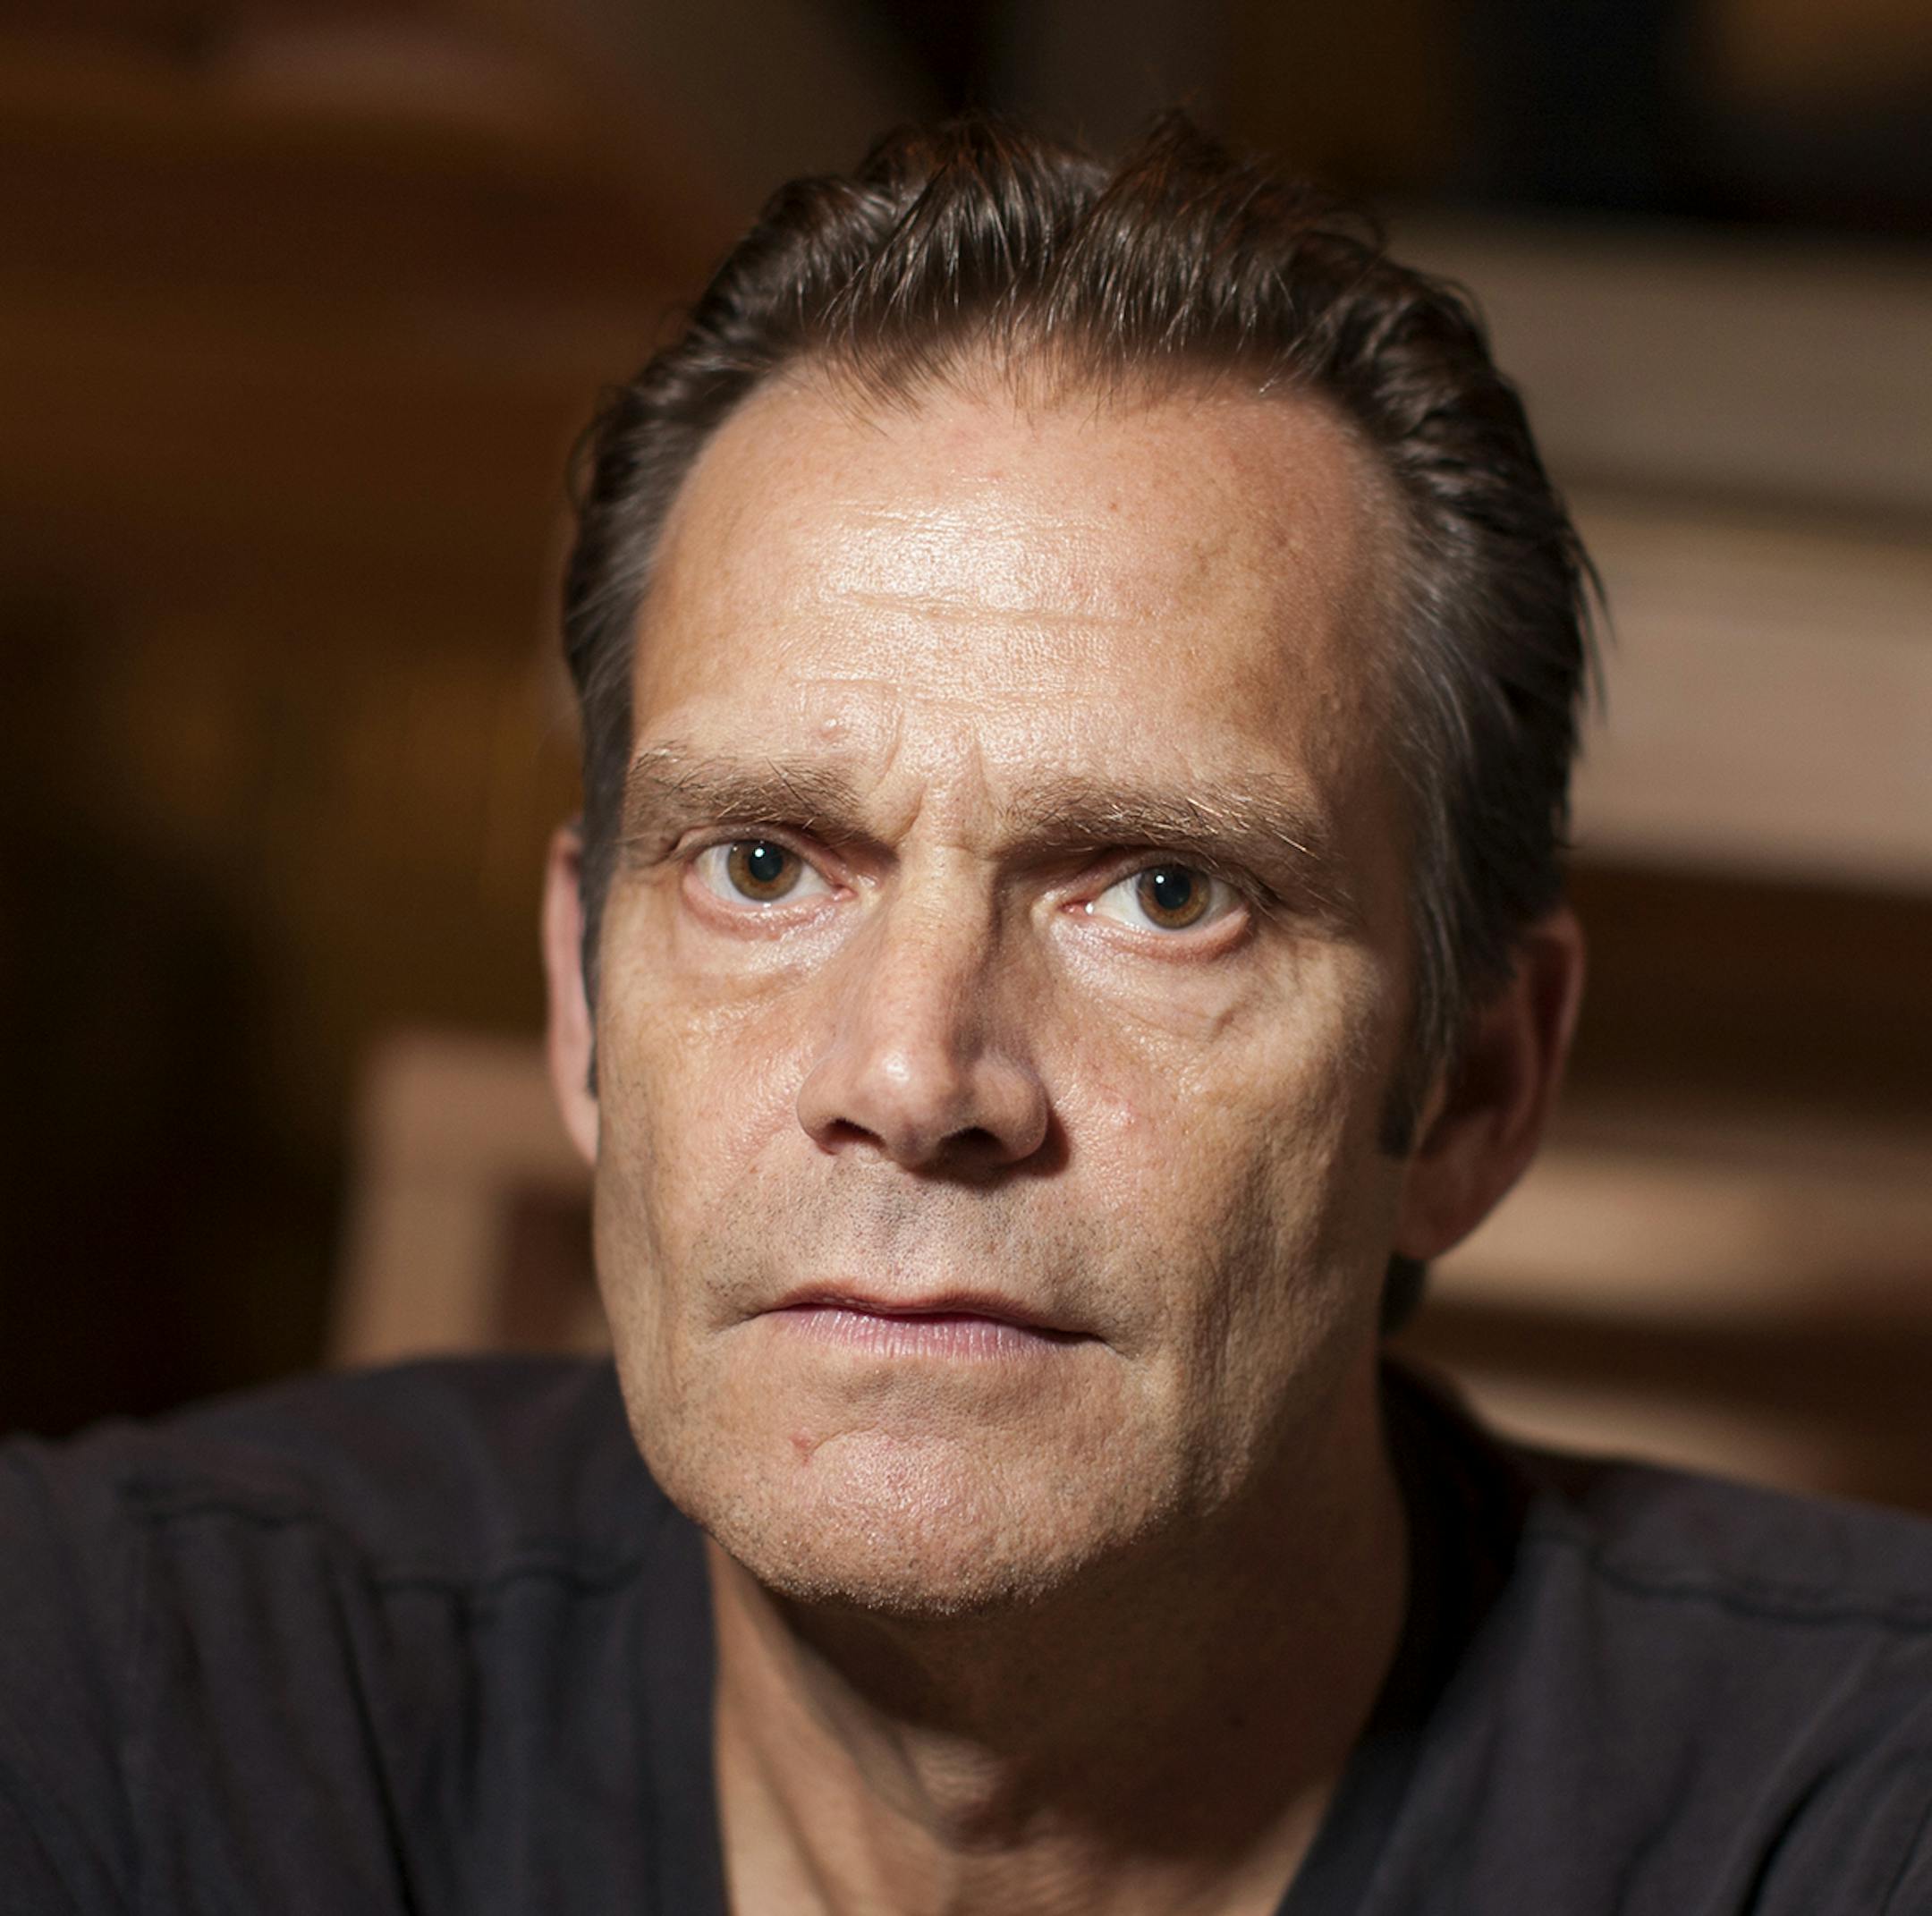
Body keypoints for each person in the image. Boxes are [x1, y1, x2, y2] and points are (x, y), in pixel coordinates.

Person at [4, 114, 1929, 1916]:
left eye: (1165, 893)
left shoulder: (1843, 1816)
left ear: (1481, 1078)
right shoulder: (125, 1696)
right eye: (762, 865)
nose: (917, 1076)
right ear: (585, 1010)